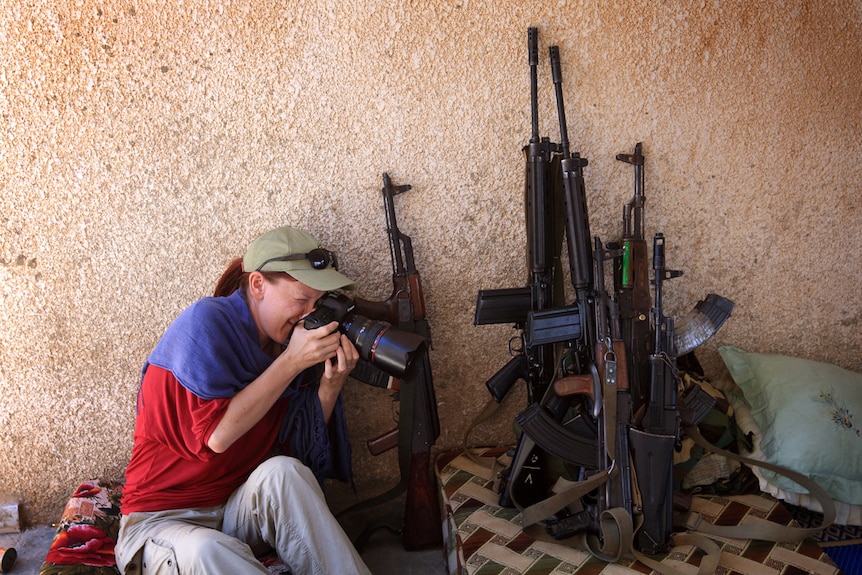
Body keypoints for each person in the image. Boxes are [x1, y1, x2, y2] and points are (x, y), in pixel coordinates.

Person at [115, 226, 372, 574]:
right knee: (207, 549)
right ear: (257, 285)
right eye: (301, 300)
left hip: (233, 509)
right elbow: (216, 437)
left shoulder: (284, 344)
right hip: (162, 521)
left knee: (285, 473)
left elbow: (301, 451)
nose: (309, 314)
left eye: (318, 303)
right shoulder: (207, 322)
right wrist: (292, 361)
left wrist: (331, 384)